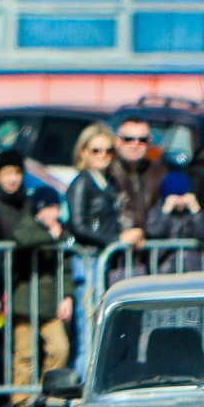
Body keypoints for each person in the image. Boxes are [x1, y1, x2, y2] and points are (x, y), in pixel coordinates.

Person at [0, 149, 70, 407]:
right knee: (23, 355)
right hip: (18, 296)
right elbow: (21, 236)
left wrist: (67, 295)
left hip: (48, 302)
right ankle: (19, 405)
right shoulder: (6, 208)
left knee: (59, 348)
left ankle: (40, 399)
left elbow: (66, 263)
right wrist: (47, 234)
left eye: (17, 173)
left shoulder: (30, 206)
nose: (13, 179)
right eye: (7, 172)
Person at [62, 126, 124, 313]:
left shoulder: (109, 182)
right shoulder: (82, 182)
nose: (102, 155)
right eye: (96, 150)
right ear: (83, 152)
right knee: (89, 319)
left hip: (103, 258)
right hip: (88, 259)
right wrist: (117, 241)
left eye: (108, 150)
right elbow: (78, 226)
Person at [109, 118, 168, 249]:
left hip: (150, 255)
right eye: (128, 139)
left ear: (150, 142)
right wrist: (118, 237)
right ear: (117, 141)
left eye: (142, 140)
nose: (135, 144)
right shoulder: (107, 173)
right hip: (115, 254)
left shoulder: (160, 172)